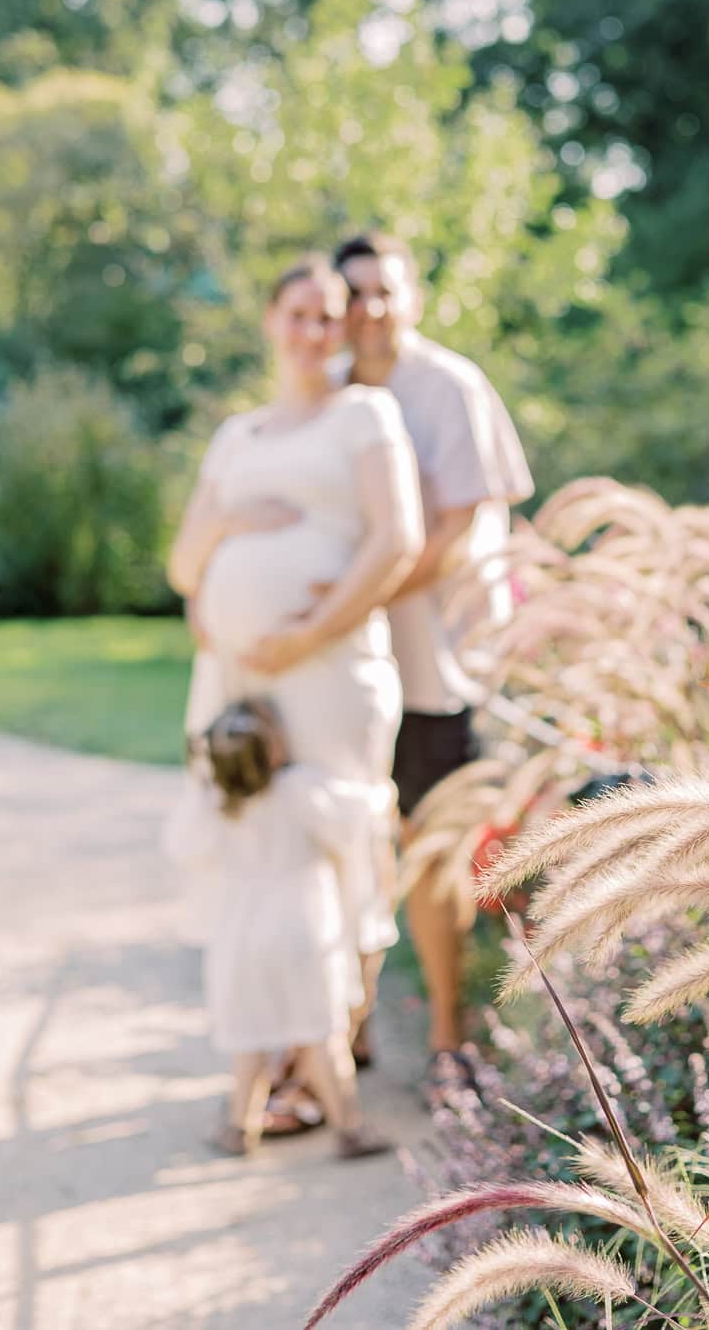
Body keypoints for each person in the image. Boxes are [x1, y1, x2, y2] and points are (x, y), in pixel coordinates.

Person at [166, 254, 424, 1116]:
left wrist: (307, 631)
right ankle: (276, 1057)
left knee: (336, 838)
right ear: (272, 319)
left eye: (330, 316)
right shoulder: (236, 435)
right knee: (253, 845)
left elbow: (397, 541)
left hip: (330, 667)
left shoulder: (365, 414)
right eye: (300, 314)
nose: (315, 330)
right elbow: (180, 565)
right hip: (237, 675)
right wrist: (233, 526)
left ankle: (332, 1051)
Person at [333, 232, 534, 1084]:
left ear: (412, 297)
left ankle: (453, 1036)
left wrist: (352, 601)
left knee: (438, 846)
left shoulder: (449, 387)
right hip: (347, 666)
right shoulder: (329, 397)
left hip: (438, 667)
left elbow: (457, 533)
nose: (370, 309)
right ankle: (348, 1021)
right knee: (347, 840)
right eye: (354, 293)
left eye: (385, 290)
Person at [184, 697, 395, 1159]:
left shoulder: (218, 801)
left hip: (239, 937)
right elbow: (358, 814)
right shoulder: (299, 789)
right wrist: (381, 791)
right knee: (323, 1035)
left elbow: (184, 845)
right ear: (275, 750)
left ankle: (240, 1126)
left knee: (250, 1040)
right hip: (303, 931)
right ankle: (349, 1127)